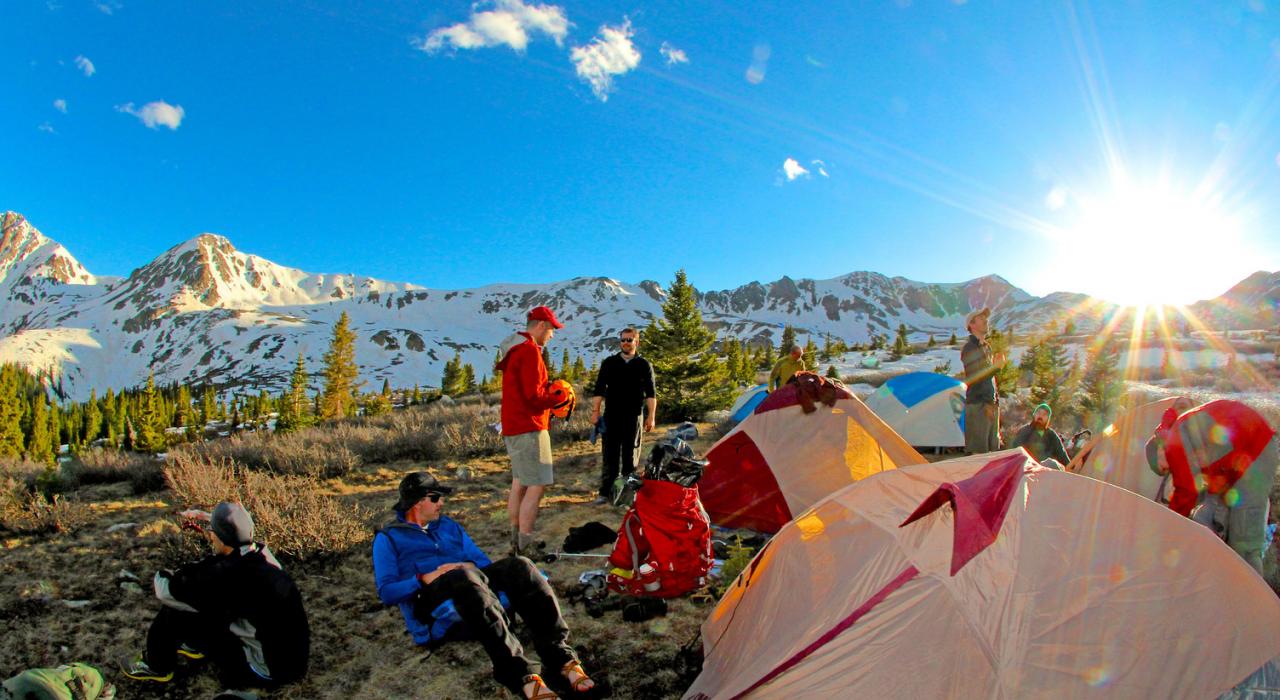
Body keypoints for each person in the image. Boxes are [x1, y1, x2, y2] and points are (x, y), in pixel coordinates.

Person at [373, 472, 595, 700]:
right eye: (436, 497)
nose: (442, 503)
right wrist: (423, 578)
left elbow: (481, 563)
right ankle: (522, 676)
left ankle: (561, 656)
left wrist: (463, 565)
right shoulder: (388, 539)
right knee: (465, 577)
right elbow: (387, 592)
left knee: (521, 566)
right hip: (434, 604)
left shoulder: (449, 526)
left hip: (473, 589)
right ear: (418, 503)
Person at [119, 502, 310, 689]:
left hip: (265, 673)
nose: (211, 536)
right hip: (294, 665)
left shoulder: (227, 575)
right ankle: (193, 645)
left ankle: (156, 666)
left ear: (219, 537)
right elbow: (237, 537)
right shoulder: (264, 556)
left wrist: (170, 573)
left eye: (213, 534)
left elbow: (165, 589)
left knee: (175, 612)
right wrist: (211, 520)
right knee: (217, 605)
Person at [1145, 399, 1278, 574]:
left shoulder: (1173, 445)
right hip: (1247, 450)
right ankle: (1229, 582)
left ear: (1159, 451)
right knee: (1226, 520)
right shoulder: (1177, 431)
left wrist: (1172, 528)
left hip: (1256, 450)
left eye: (1163, 467)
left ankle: (1253, 595)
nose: (1169, 469)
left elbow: (1187, 491)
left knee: (1245, 541)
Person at [496, 305, 565, 556]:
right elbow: (534, 397)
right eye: (552, 329)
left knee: (520, 483)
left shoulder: (515, 350)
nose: (552, 335)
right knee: (536, 485)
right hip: (530, 427)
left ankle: (516, 540)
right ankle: (525, 545)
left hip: (514, 427)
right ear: (540, 326)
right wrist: (557, 397)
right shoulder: (529, 353)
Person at [590, 327, 657, 505]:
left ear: (637, 342)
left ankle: (627, 495)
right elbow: (599, 388)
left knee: (631, 456)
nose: (625, 343)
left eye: (629, 340)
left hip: (634, 417)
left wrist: (651, 416)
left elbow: (651, 393)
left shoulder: (644, 365)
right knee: (609, 456)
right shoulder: (609, 363)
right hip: (611, 415)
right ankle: (605, 493)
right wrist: (595, 411)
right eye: (623, 340)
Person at [961, 307, 1005, 454]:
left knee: (993, 449)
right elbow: (976, 376)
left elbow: (990, 378)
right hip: (978, 405)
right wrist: (996, 367)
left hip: (990, 404)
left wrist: (995, 401)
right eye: (981, 318)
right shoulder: (969, 348)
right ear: (972, 325)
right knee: (979, 453)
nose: (986, 320)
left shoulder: (987, 348)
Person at [1010, 403, 1069, 468]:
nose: (1040, 416)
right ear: (1034, 414)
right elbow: (1014, 451)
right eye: (1038, 413)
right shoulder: (1024, 431)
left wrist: (1070, 467)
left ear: (1048, 418)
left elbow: (1062, 456)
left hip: (1046, 471)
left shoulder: (1052, 435)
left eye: (1044, 414)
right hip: (1026, 469)